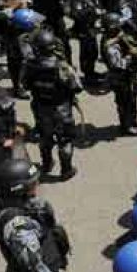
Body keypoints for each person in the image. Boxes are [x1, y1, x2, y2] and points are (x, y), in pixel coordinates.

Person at [22, 29, 82, 180]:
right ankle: (66, 170)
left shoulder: (29, 65)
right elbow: (77, 87)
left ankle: (47, 163)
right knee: (65, 140)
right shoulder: (62, 66)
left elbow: (25, 84)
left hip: (41, 107)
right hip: (61, 109)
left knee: (45, 137)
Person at [101, 13, 137, 136]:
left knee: (132, 98)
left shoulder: (117, 37)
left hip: (128, 74)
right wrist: (130, 56)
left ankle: (133, 119)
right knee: (124, 102)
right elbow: (117, 64)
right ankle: (125, 126)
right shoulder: (111, 46)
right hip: (119, 76)